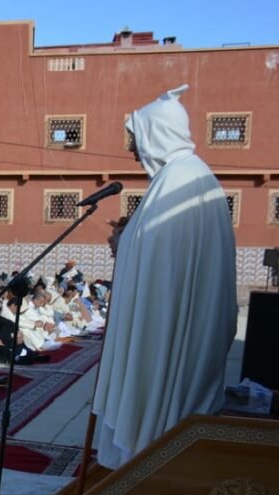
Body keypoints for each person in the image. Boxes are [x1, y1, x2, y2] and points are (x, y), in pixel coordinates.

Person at [93, 85, 237, 469]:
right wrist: (131, 238)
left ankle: (141, 461)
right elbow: (159, 251)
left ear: (157, 133)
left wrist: (123, 243)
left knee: (157, 413)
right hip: (187, 327)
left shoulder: (177, 180)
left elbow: (156, 260)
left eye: (135, 138)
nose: (131, 149)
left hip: (169, 331)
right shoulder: (193, 176)